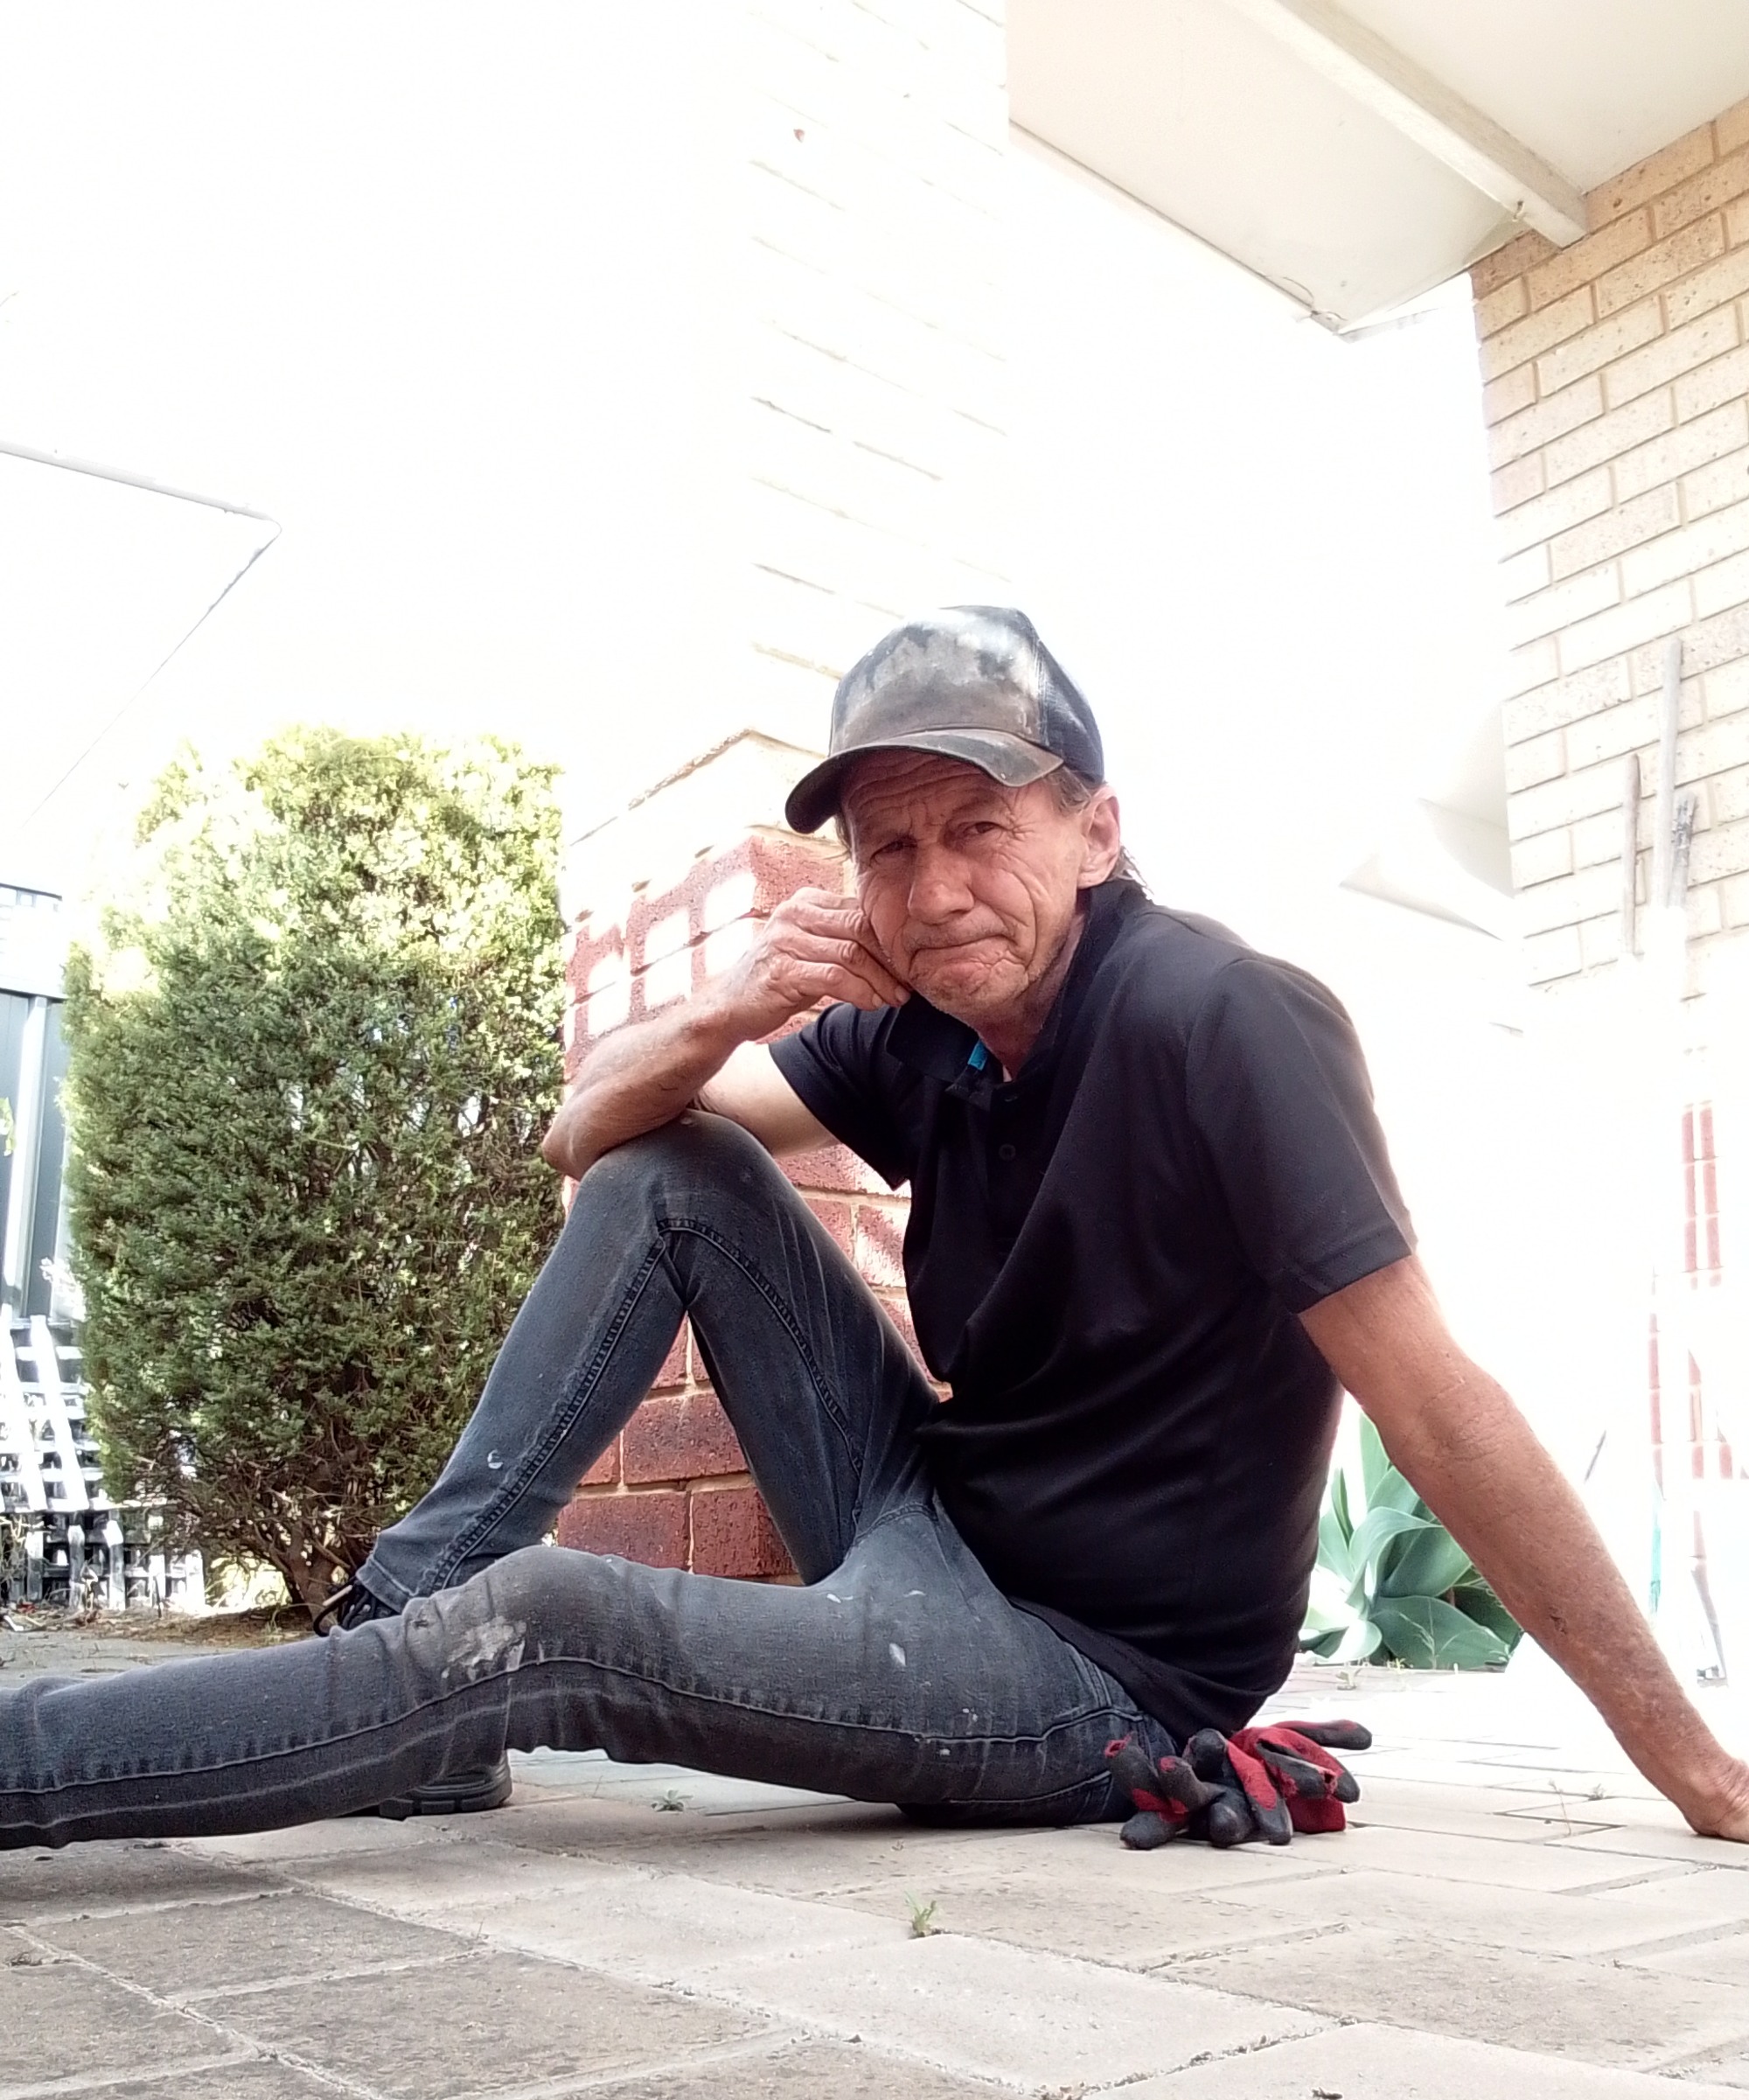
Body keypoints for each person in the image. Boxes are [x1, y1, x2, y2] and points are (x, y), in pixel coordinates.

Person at [3, 605, 1746, 1852]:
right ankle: (397, 1633)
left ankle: (36, 1764)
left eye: (981, 827)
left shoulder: (1225, 1022)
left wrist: (1692, 1763)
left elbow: (1434, 1401)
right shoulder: (916, 1028)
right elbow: (585, 1136)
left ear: (1096, 830)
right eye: (890, 849)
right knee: (677, 1168)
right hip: (931, 1514)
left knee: (547, 1625)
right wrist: (732, 1000)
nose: (934, 887)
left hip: (1092, 1675)